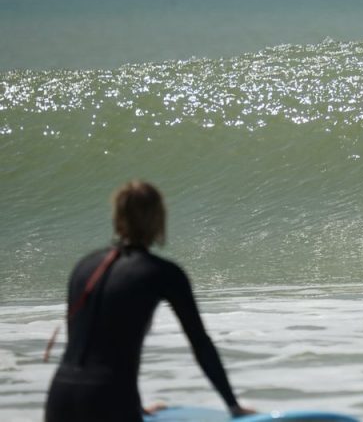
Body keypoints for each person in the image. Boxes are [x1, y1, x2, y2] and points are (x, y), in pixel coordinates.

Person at [45, 180, 254, 421]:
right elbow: (200, 343)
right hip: (109, 400)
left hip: (60, 398)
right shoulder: (162, 272)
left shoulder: (85, 267)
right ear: (158, 219)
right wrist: (232, 405)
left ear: (118, 217)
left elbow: (85, 343)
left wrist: (137, 409)